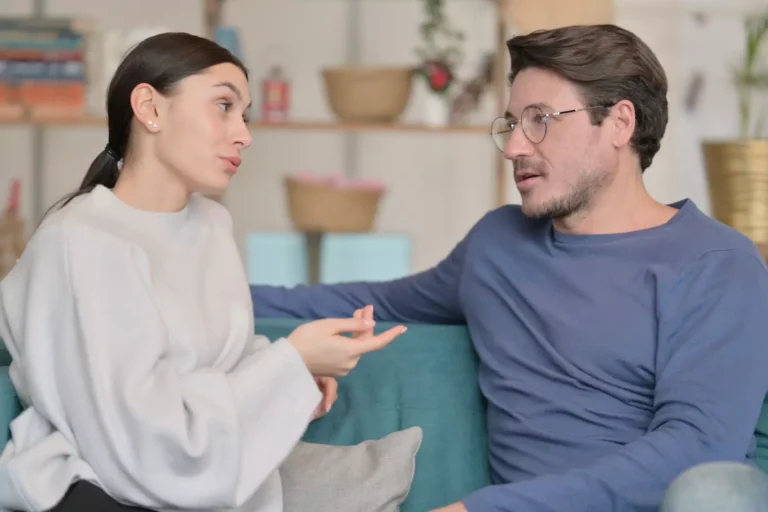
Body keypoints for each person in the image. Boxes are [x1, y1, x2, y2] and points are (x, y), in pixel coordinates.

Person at [250, 24, 768, 512]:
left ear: (620, 123)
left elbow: (696, 451)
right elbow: (359, 305)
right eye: (512, 124)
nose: (516, 147)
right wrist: (194, 291)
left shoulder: (716, 265)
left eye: (540, 120)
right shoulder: (498, 247)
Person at [0, 32, 405, 512]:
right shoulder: (81, 240)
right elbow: (138, 438)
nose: (244, 134)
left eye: (246, 114)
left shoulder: (212, 226)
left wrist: (297, 377)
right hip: (97, 492)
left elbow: (222, 364)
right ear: (150, 107)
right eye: (223, 106)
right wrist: (288, 365)